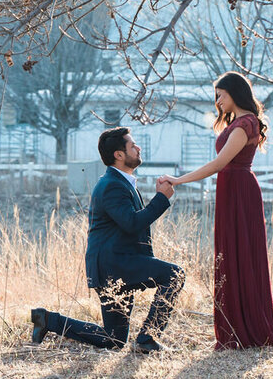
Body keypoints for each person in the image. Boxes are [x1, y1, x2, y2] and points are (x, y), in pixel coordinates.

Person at [158, 71, 273, 350]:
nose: (217, 101)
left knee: (240, 254)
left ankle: (245, 328)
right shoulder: (240, 123)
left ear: (235, 92)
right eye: (216, 96)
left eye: (221, 94)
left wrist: (178, 179)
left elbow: (219, 164)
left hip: (239, 191)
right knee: (232, 254)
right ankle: (237, 325)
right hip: (232, 190)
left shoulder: (245, 123)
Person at [31, 127, 184, 354]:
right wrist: (161, 199)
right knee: (174, 274)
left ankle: (48, 321)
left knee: (113, 340)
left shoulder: (121, 183)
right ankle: (148, 338)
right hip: (115, 266)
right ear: (119, 155)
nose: (138, 148)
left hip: (118, 264)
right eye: (132, 145)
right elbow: (132, 223)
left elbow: (130, 225)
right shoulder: (112, 185)